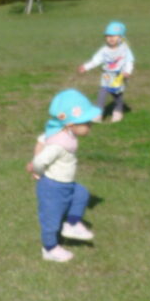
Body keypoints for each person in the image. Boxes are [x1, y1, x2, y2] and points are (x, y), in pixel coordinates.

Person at [26, 89, 101, 263]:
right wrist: (37, 171)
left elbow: (43, 138)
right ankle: (50, 248)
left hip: (66, 183)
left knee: (81, 193)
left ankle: (72, 223)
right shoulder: (59, 144)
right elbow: (40, 160)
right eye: (86, 122)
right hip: (52, 187)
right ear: (70, 124)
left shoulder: (65, 135)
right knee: (51, 219)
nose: (90, 125)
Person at [77, 20, 135, 123]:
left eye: (114, 36)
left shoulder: (125, 49)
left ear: (120, 37)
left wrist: (128, 71)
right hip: (106, 76)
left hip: (119, 76)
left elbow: (129, 60)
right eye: (108, 36)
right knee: (102, 94)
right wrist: (86, 67)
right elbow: (96, 60)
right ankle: (98, 113)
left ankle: (118, 110)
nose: (111, 38)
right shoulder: (103, 50)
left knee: (117, 95)